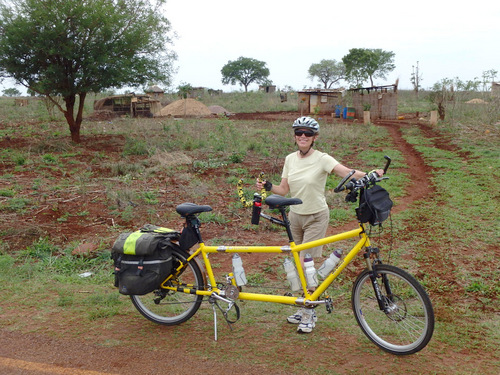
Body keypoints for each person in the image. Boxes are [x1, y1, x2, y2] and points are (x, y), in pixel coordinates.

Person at [256, 116, 384, 334]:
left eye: (308, 133)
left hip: (316, 216)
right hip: (295, 216)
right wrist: (268, 186)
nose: (303, 137)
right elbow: (283, 190)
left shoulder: (323, 159)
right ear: (294, 136)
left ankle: (310, 310)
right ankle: (302, 302)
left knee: (307, 262)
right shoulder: (290, 159)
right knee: (297, 263)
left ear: (315, 137)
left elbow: (347, 173)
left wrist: (372, 174)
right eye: (299, 133)